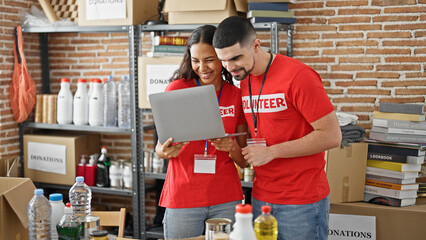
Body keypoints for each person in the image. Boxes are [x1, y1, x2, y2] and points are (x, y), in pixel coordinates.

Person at [213, 16, 342, 240]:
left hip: (302, 201)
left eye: (236, 58)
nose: (230, 67)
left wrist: (273, 151)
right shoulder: (243, 80)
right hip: (262, 198)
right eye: (223, 61)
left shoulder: (299, 76)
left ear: (256, 45)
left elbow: (332, 136)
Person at [155, 25, 248, 239]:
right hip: (183, 197)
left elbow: (244, 161)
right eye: (196, 60)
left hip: (225, 198)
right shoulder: (177, 89)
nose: (202, 67)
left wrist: (231, 147)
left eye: (209, 60)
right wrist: (165, 151)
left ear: (222, 58)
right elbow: (160, 148)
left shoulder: (235, 95)